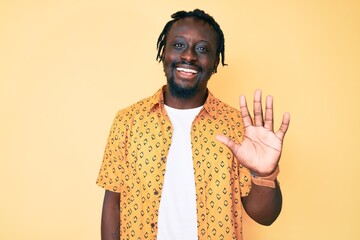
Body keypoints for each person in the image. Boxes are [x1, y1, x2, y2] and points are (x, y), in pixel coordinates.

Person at [96, 9, 290, 240]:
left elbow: (265, 216)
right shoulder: (128, 121)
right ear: (163, 52)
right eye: (178, 45)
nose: (189, 56)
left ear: (215, 62)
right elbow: (112, 204)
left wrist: (264, 174)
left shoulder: (238, 127)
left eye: (202, 49)